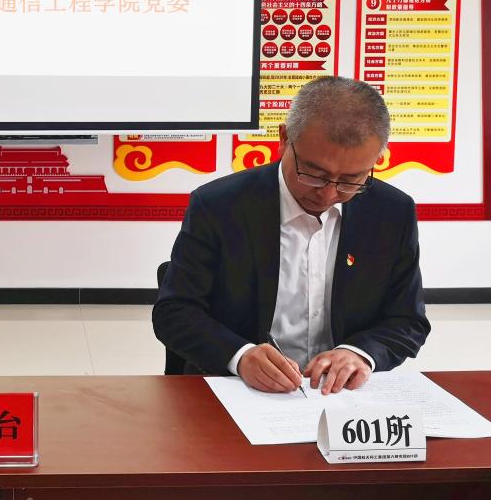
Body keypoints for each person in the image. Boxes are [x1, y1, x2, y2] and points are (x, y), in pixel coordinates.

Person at [153, 76, 429, 394]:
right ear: (284, 139)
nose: (328, 194)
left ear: (376, 160)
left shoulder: (391, 212)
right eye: (313, 173)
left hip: (340, 396)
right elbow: (175, 311)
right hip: (238, 389)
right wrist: (239, 356)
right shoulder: (219, 206)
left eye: (351, 179)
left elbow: (408, 320)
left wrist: (359, 353)